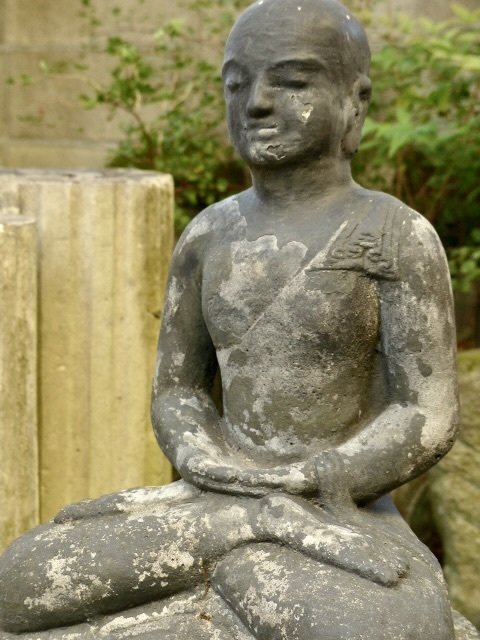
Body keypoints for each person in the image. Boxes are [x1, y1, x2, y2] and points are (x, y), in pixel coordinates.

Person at [0, 0, 459, 638]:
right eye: (236, 83)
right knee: (24, 576)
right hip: (218, 499)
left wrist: (311, 475)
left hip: (335, 506)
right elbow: (178, 388)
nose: (257, 102)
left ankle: (251, 548)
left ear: (355, 101)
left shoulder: (396, 233)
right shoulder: (210, 234)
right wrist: (201, 452)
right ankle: (253, 531)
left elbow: (425, 414)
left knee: (363, 627)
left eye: (291, 82)